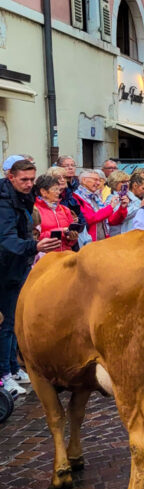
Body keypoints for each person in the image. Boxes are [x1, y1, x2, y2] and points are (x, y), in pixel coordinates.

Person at [0, 159, 61, 397]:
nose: (29, 184)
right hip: (5, 270)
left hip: (18, 266)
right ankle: (4, 376)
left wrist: (33, 238)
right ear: (11, 177)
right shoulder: (4, 202)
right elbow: (6, 240)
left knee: (16, 321)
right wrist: (35, 245)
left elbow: (19, 231)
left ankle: (14, 368)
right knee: (7, 324)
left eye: (31, 179)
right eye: (24, 179)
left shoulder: (20, 197)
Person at [74, 170, 128, 241]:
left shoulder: (97, 197)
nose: (98, 183)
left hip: (102, 241)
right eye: (95, 180)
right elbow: (90, 219)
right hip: (88, 242)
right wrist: (110, 207)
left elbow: (111, 221)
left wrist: (122, 208)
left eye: (99, 180)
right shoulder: (76, 197)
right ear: (84, 180)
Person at [33, 174, 79, 252]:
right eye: (55, 189)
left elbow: (71, 241)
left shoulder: (65, 209)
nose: (58, 192)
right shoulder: (35, 210)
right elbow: (34, 237)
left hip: (65, 256)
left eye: (59, 189)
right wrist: (61, 232)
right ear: (43, 191)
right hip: (46, 257)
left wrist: (71, 238)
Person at [55, 154, 86, 226]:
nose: (70, 168)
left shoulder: (80, 184)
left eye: (73, 165)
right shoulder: (60, 189)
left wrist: (79, 220)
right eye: (66, 166)